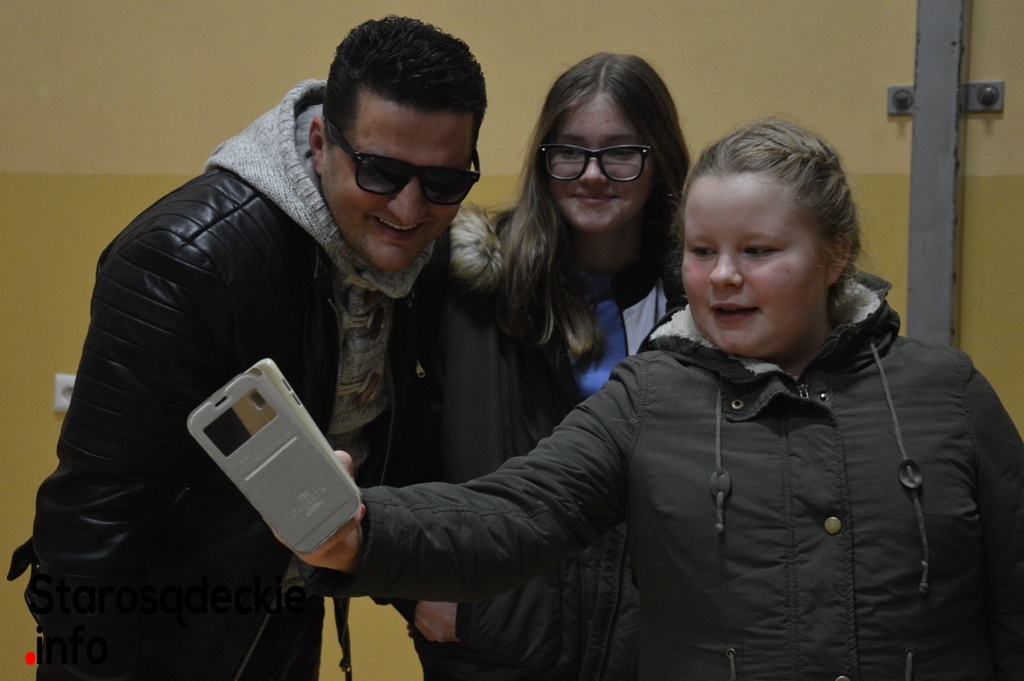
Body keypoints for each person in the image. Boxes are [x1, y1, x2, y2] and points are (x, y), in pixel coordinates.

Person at [297, 119, 1024, 680]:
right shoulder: (650, 395)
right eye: (702, 251)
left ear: (835, 254)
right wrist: (366, 530)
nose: (723, 276)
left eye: (759, 251)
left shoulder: (948, 394)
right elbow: (514, 514)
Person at [9, 15, 486, 681]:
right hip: (151, 647)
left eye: (442, 183)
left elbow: (392, 442)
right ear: (319, 142)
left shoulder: (417, 258)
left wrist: (421, 579)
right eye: (380, 172)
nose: (408, 211)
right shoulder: (186, 261)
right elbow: (90, 525)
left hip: (280, 623)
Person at [408, 53, 688, 680]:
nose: (592, 175)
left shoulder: (701, 304)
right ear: (543, 160)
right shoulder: (467, 284)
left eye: (620, 153)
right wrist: (419, 583)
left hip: (649, 651)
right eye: (569, 152)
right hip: (495, 647)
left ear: (660, 160)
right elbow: (402, 437)